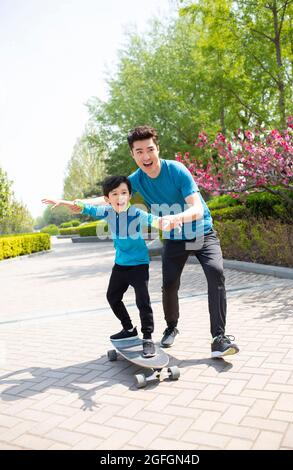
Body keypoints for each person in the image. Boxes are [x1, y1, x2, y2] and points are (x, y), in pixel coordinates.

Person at [51, 126, 239, 358]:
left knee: (215, 273)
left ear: (157, 148)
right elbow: (109, 194)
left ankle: (218, 338)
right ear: (133, 154)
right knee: (169, 285)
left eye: (150, 149)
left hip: (201, 232)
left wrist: (174, 218)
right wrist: (76, 203)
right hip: (174, 238)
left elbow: (198, 208)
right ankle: (171, 327)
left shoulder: (177, 171)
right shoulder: (136, 180)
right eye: (139, 152)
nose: (146, 156)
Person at [42, 175, 180, 359]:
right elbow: (86, 207)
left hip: (139, 264)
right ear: (107, 199)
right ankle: (129, 328)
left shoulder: (136, 213)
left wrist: (168, 223)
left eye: (124, 192)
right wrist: (62, 202)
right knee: (112, 297)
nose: (119, 197)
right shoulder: (107, 212)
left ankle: (147, 338)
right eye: (114, 193)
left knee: (143, 301)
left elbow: (154, 220)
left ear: (129, 195)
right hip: (121, 265)